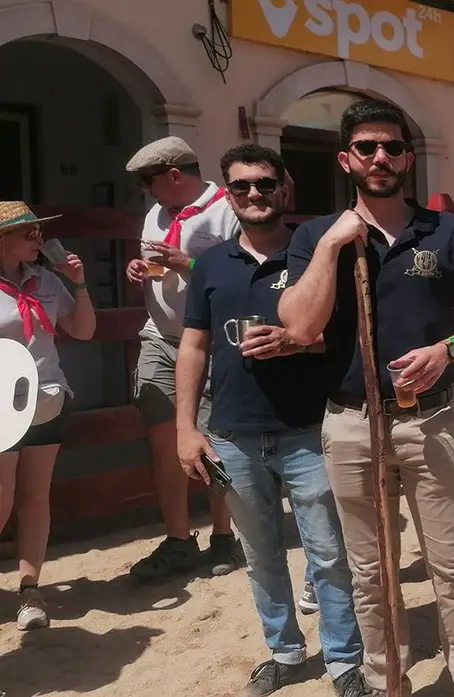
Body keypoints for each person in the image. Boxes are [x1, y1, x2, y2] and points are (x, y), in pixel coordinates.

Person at [278, 98, 454, 697]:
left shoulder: (447, 232)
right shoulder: (312, 237)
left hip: (430, 423)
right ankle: (385, 682)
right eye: (368, 147)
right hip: (351, 427)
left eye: (393, 147)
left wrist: (446, 351)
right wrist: (331, 247)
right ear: (346, 159)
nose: (382, 157)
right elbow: (299, 327)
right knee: (371, 574)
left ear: (408, 156)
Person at [175, 146, 369, 696]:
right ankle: (284, 652)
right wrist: (186, 428)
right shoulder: (211, 264)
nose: (255, 195)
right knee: (259, 554)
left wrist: (298, 342)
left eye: (265, 184)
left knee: (328, 553)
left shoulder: (315, 255)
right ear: (228, 193)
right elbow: (193, 346)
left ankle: (344, 660)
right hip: (232, 433)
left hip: (310, 428)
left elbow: (347, 338)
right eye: (242, 187)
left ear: (284, 189)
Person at [123, 136, 243, 580]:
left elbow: (240, 275)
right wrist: (137, 269)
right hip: (160, 336)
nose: (146, 191)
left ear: (174, 175)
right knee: (162, 439)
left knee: (211, 440)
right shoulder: (156, 213)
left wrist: (189, 265)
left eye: (148, 181)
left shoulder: (227, 208)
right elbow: (149, 263)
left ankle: (225, 537)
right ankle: (177, 540)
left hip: (210, 341)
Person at [0, 202, 96, 630]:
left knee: (35, 498)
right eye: (29, 233)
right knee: (0, 501)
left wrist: (79, 284)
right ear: (3, 241)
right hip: (1, 407)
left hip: (45, 401)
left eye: (40, 232)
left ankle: (29, 590)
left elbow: (83, 330)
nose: (39, 239)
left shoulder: (48, 282)